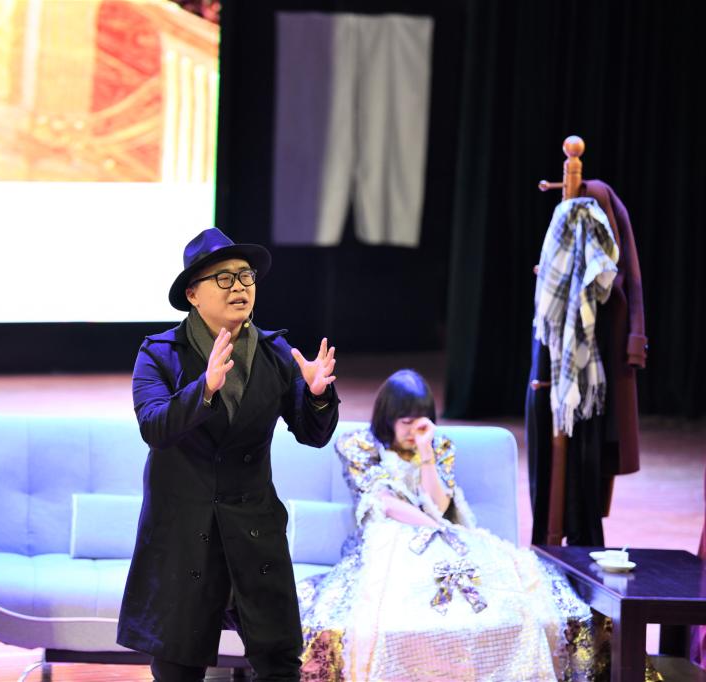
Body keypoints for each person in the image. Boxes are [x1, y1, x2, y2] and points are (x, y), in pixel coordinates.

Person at [117, 228, 339, 682]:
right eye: (223, 278)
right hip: (184, 534)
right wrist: (204, 390)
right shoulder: (160, 353)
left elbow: (312, 435)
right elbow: (154, 427)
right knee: (178, 669)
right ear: (192, 294)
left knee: (279, 665)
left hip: (254, 530)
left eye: (245, 276)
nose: (239, 287)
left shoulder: (276, 352)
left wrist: (317, 395)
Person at [298, 369, 605, 682]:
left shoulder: (438, 446)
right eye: (405, 422)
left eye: (419, 422)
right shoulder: (360, 444)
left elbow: (440, 504)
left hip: (442, 533)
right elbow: (385, 502)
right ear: (388, 418)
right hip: (388, 537)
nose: (413, 431)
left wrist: (425, 452)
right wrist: (434, 526)